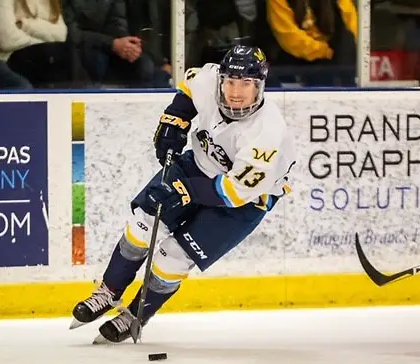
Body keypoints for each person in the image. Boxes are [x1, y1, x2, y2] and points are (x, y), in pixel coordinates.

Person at [69, 45, 297, 344]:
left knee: (171, 259)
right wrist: (174, 119)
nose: (236, 92)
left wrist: (186, 191)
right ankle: (108, 292)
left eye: (246, 85)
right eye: (230, 82)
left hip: (245, 200)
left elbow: (233, 192)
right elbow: (188, 90)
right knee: (141, 227)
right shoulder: (208, 78)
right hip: (198, 164)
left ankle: (135, 315)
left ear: (260, 86)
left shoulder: (267, 135)